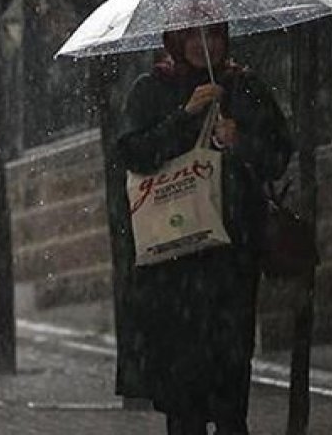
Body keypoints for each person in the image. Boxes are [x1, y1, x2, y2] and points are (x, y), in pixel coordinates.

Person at [117, 22, 292, 435]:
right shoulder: (152, 89)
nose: (202, 45)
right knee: (184, 397)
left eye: (212, 34)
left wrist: (240, 140)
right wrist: (186, 116)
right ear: (175, 41)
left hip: (231, 256)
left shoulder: (244, 87)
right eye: (191, 36)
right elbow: (134, 153)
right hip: (174, 259)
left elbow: (278, 156)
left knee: (231, 384)